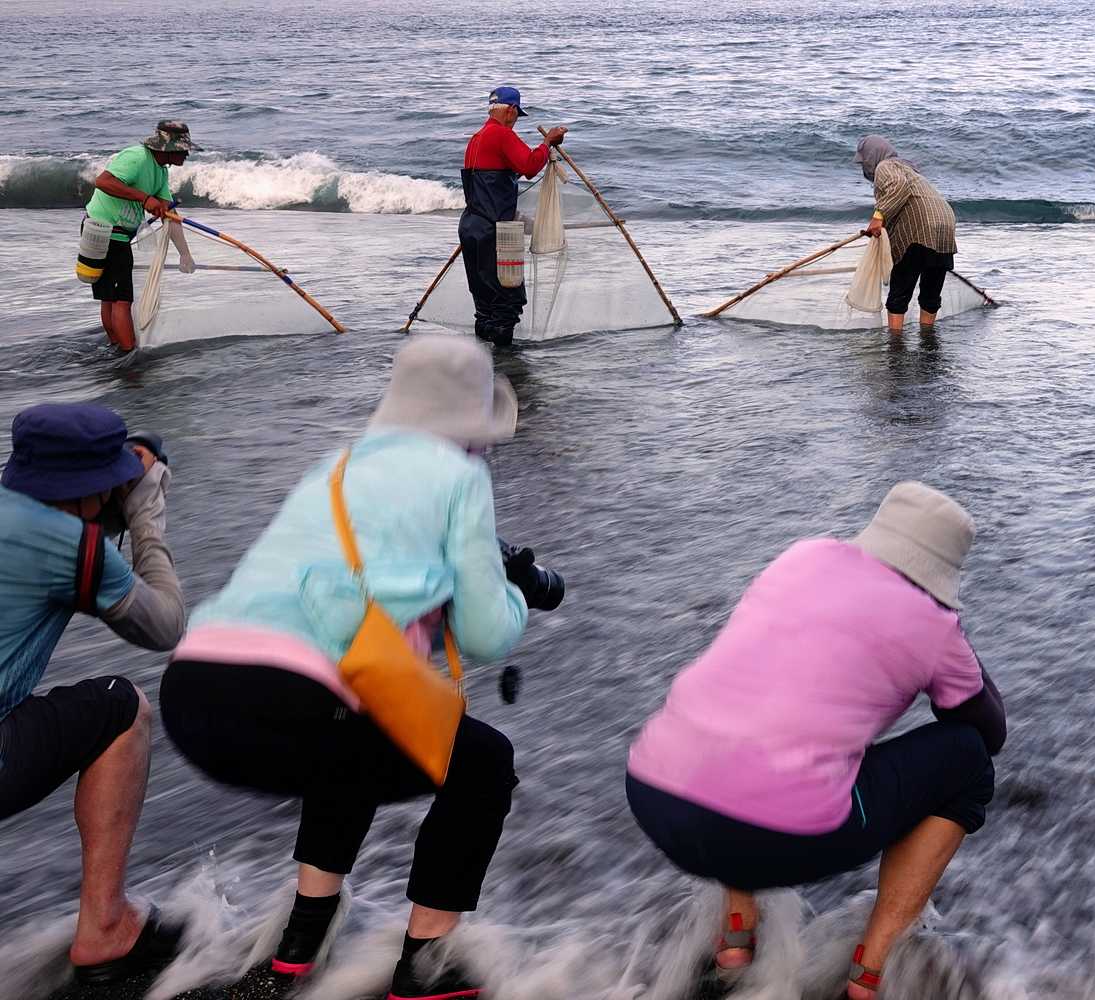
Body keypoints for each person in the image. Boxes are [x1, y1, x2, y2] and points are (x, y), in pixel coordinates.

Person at [159, 334, 552, 1000]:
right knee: (482, 766)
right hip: (291, 703)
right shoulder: (462, 476)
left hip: (192, 692)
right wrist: (514, 591)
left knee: (360, 722)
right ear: (471, 429)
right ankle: (427, 970)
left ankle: (299, 942)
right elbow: (487, 637)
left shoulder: (334, 467)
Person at [627, 483, 1006, 1000]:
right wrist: (953, 633)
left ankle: (736, 938)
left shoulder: (802, 556)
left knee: (753, 713)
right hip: (778, 833)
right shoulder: (935, 624)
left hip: (654, 791)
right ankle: (869, 973)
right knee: (967, 763)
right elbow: (989, 731)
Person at [0, 403, 185, 986]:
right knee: (122, 707)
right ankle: (106, 928)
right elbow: (165, 627)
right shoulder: (72, 547)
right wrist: (146, 510)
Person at [460, 86, 567, 346]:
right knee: (508, 298)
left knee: (485, 301)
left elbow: (498, 176)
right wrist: (547, 143)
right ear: (510, 110)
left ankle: (484, 364)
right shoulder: (501, 135)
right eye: (517, 114)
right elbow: (529, 167)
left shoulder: (477, 137)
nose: (516, 119)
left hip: (471, 225)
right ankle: (509, 369)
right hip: (494, 230)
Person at [84, 121, 200, 352]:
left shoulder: (160, 171)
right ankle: (129, 357)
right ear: (168, 147)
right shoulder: (137, 157)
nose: (187, 154)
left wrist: (185, 254)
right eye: (183, 148)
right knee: (121, 299)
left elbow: (171, 214)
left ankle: (116, 348)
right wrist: (144, 198)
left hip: (114, 232)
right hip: (106, 231)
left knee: (111, 296)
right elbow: (103, 182)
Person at [855, 136, 958, 336]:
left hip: (918, 230)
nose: (865, 165)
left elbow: (898, 187)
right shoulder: (909, 169)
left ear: (872, 155)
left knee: (899, 292)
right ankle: (928, 338)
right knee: (931, 292)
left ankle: (896, 343)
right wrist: (881, 227)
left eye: (865, 159)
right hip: (945, 226)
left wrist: (878, 216)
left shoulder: (885, 166)